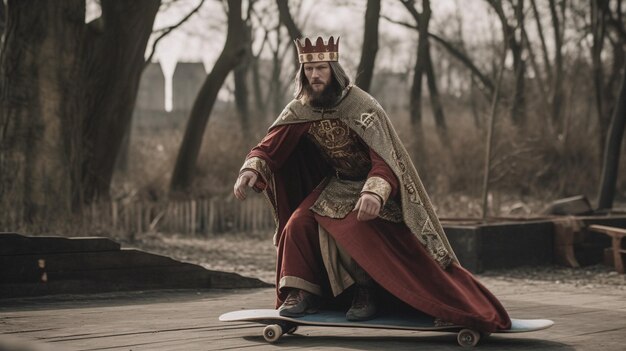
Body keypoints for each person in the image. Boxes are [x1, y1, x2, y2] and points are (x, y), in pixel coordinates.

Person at [233, 35, 511, 331]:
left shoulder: (362, 106)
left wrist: (375, 193)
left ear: (334, 71)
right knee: (298, 223)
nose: (315, 75)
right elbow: (269, 146)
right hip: (336, 186)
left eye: (322, 69)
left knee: (355, 226)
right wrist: (251, 170)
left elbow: (385, 159)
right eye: (309, 70)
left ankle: (367, 292)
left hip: (376, 187)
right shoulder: (300, 109)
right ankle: (301, 292)